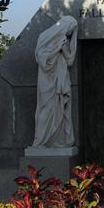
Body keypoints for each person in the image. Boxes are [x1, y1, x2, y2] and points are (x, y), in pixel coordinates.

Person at [32, 16, 78, 147]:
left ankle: (58, 140)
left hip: (60, 79)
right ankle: (40, 140)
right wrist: (56, 49)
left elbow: (70, 61)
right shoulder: (44, 37)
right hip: (46, 80)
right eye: (71, 30)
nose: (70, 34)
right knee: (45, 108)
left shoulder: (64, 40)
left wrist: (64, 49)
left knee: (59, 110)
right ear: (66, 26)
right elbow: (41, 59)